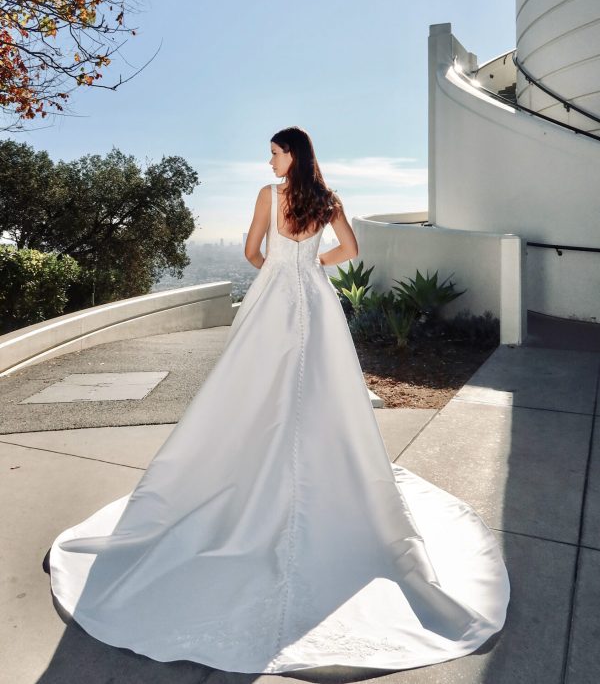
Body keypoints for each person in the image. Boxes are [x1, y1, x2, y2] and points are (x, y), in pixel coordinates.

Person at [48, 126, 510, 674]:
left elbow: (251, 250)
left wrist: (277, 267)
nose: (268, 161)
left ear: (291, 154)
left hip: (273, 299)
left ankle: (249, 466)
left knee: (252, 387)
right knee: (321, 385)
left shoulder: (269, 197)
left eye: (273, 152)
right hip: (314, 298)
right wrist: (312, 264)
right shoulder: (328, 198)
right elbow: (352, 249)